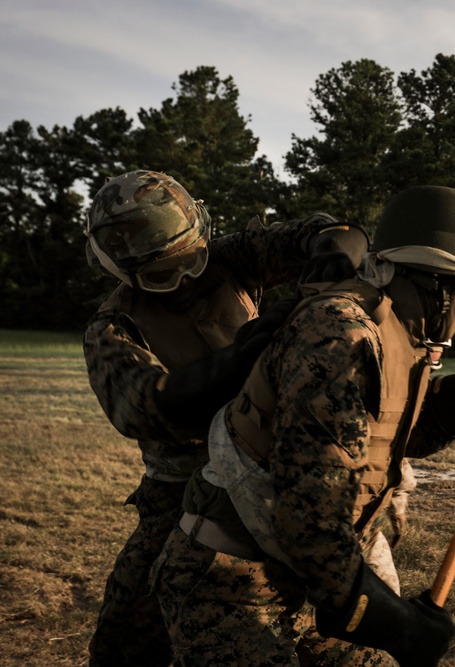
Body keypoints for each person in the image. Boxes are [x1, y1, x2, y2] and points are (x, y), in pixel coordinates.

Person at [151, 185, 455, 666]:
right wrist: (401, 628)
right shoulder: (340, 336)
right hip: (231, 583)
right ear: (443, 282)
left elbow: (397, 431)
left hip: (305, 575)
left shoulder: (396, 329)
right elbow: (312, 525)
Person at [82, 169, 368, 667]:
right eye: (163, 276)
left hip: (270, 463)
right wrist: (241, 358)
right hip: (183, 487)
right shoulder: (114, 328)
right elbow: (149, 405)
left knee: (339, 625)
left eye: (194, 259)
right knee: (124, 641)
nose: (188, 280)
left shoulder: (230, 261)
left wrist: (332, 250)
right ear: (124, 274)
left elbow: (337, 232)